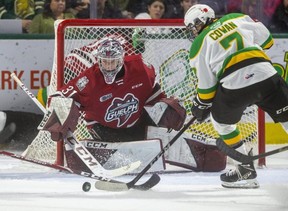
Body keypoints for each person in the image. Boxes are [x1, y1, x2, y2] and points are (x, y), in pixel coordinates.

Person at [184, 4, 288, 188]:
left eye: (194, 25)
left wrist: (200, 106)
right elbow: (268, 41)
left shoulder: (199, 44)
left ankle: (245, 169)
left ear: (203, 20)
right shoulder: (236, 18)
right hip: (266, 75)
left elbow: (207, 90)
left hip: (235, 87)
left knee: (221, 122)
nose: (194, 30)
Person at [40, 37, 186, 143]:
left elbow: (153, 92)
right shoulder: (89, 79)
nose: (108, 66)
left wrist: (165, 105)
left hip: (136, 124)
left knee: (164, 109)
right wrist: (57, 120)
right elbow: (60, 96)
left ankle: (163, 142)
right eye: (105, 61)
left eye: (113, 61)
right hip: (103, 128)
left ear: (121, 60)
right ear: (99, 60)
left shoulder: (139, 68)